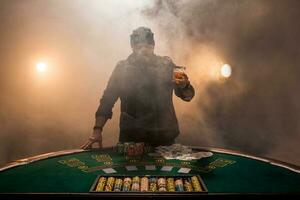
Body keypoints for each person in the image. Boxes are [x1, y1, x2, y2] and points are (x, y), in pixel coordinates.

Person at [81, 27, 195, 149]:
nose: (144, 50)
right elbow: (107, 101)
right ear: (133, 47)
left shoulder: (166, 65)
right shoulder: (122, 68)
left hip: (164, 138)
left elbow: (188, 96)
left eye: (148, 46)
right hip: (132, 139)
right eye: (140, 47)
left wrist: (185, 86)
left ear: (153, 46)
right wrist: (97, 130)